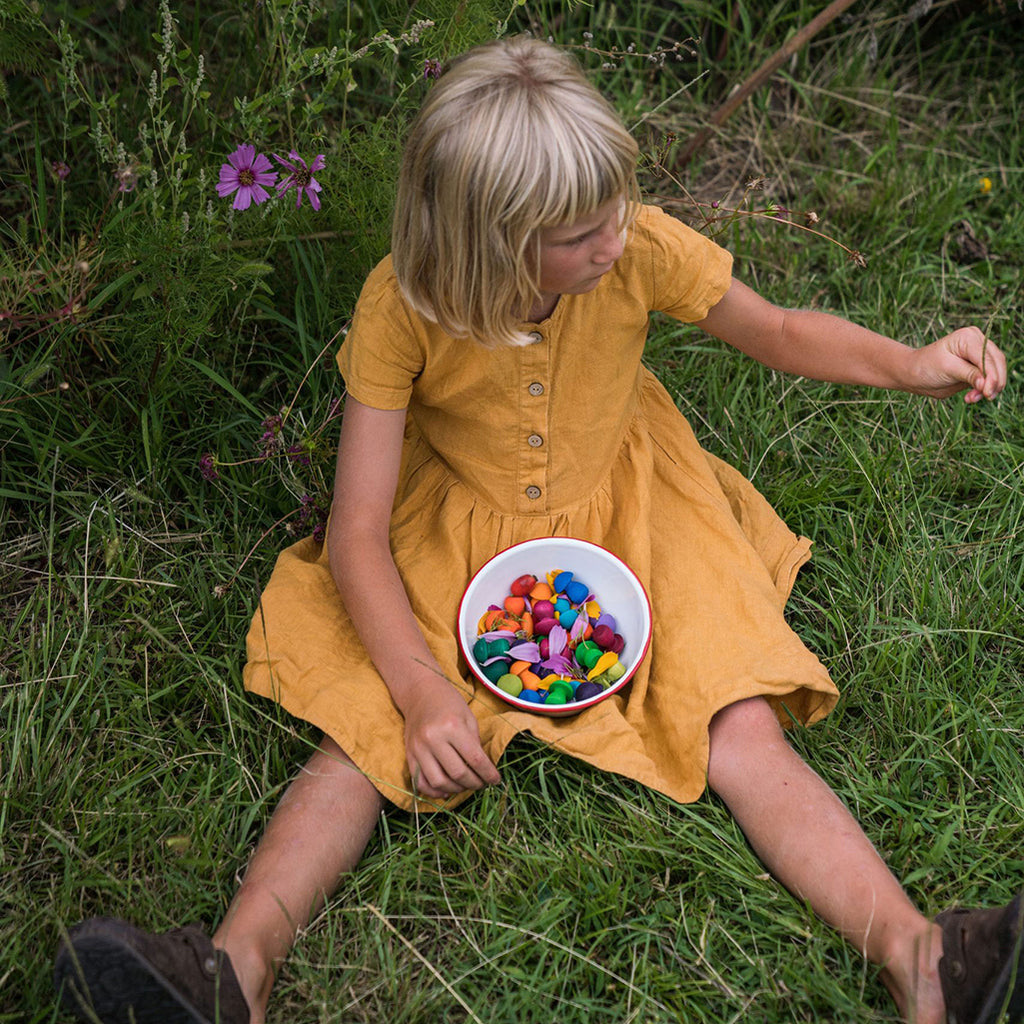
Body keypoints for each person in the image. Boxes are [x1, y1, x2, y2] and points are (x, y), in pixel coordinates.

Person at [54, 35, 1019, 1024]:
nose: (613, 241)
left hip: (636, 512)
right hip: (458, 535)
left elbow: (772, 329)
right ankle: (232, 972)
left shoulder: (635, 245)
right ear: (490, 240)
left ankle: (921, 954)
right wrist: (424, 692)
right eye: (582, 233)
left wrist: (910, 363)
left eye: (613, 214)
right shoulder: (402, 304)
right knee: (364, 732)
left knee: (736, 716)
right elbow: (354, 534)